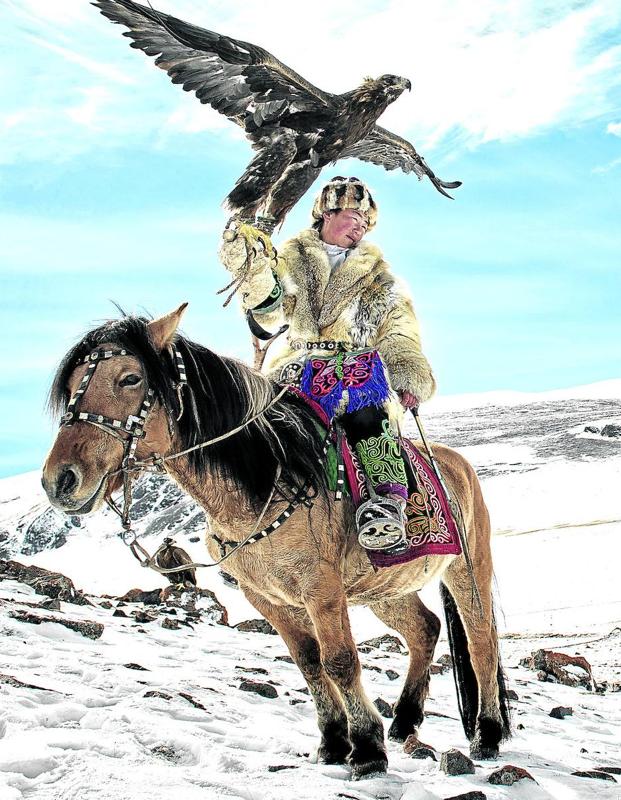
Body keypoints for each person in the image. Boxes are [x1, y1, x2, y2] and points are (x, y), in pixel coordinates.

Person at [219, 176, 436, 552]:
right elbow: (268, 317)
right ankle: (241, 520)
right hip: (295, 371)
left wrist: (406, 373)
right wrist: (253, 270)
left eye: (366, 222)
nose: (360, 226)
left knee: (368, 418)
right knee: (250, 428)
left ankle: (385, 504)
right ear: (327, 213)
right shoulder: (286, 261)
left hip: (356, 370)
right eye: (354, 216)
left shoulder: (381, 279)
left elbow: (399, 329)